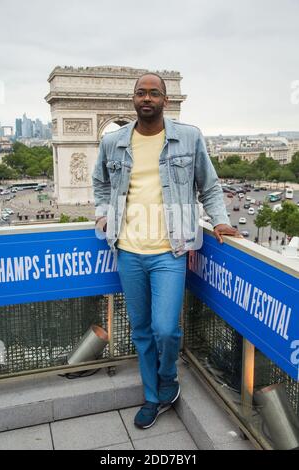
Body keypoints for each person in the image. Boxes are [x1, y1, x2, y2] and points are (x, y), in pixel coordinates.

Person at [92, 73, 240, 429]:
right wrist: (103, 214)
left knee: (164, 329)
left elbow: (211, 186)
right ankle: (153, 395)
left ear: (166, 100)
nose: (147, 98)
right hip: (127, 250)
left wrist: (219, 220)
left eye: (154, 93)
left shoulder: (189, 137)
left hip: (170, 252)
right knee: (141, 329)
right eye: (141, 92)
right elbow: (100, 183)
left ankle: (169, 379)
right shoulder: (112, 142)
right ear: (133, 99)